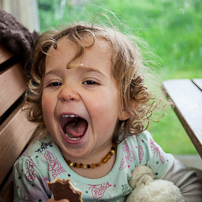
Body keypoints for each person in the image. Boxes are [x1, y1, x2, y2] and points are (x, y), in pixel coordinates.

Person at [13, 22, 202, 202]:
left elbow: (190, 186)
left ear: (125, 105)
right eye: (55, 83)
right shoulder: (35, 168)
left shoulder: (137, 147)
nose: (66, 93)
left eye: (89, 82)